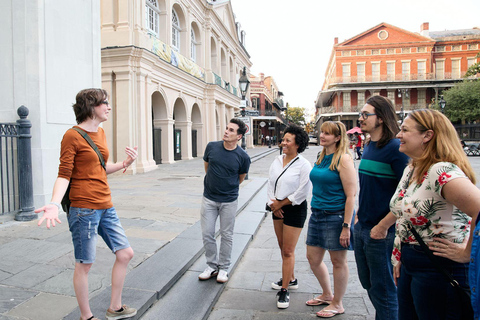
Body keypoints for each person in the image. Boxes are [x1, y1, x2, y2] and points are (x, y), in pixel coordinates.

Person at [36, 88, 138, 320]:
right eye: (104, 103)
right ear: (91, 106)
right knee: (85, 264)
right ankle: (86, 316)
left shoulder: (100, 133)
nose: (109, 107)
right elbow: (64, 174)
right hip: (84, 209)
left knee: (125, 254)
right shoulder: (71, 136)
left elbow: (100, 168)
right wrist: (53, 203)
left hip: (106, 204)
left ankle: (115, 308)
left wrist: (125, 162)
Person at [390, 109, 480, 319]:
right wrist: (402, 255)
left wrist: (466, 253)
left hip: (438, 266)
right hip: (412, 263)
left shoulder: (440, 171)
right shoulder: (412, 167)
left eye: (404, 130)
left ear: (427, 135)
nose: (398, 135)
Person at [354, 95, 409, 320]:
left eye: (366, 114)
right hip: (362, 227)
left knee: (384, 290)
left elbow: (407, 194)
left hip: (381, 231)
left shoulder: (396, 148)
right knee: (369, 283)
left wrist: (383, 226)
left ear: (382, 118)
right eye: (361, 113)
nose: (361, 118)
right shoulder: (369, 145)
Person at [306, 121, 356, 318]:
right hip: (317, 213)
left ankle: (338, 303)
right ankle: (327, 294)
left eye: (327, 134)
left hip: (335, 216)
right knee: (313, 258)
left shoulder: (343, 159)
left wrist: (346, 226)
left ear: (337, 137)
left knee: (338, 261)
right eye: (322, 132)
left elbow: (351, 195)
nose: (322, 136)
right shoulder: (321, 156)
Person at [198, 119, 251, 283]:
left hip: (229, 201)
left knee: (227, 235)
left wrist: (228, 187)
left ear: (239, 136)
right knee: (207, 233)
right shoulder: (212, 147)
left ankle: (224, 268)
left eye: (231, 130)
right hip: (209, 198)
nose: (226, 131)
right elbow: (207, 167)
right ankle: (212, 266)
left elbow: (240, 178)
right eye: (227, 128)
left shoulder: (243, 157)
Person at [266, 125, 311, 309]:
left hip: (294, 208)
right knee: (281, 245)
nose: (283, 143)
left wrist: (281, 204)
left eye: (287, 140)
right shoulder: (277, 161)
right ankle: (290, 278)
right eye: (283, 139)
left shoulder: (304, 165)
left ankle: (284, 290)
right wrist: (272, 204)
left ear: (297, 144)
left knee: (288, 251)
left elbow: (302, 193)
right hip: (277, 207)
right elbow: (270, 183)